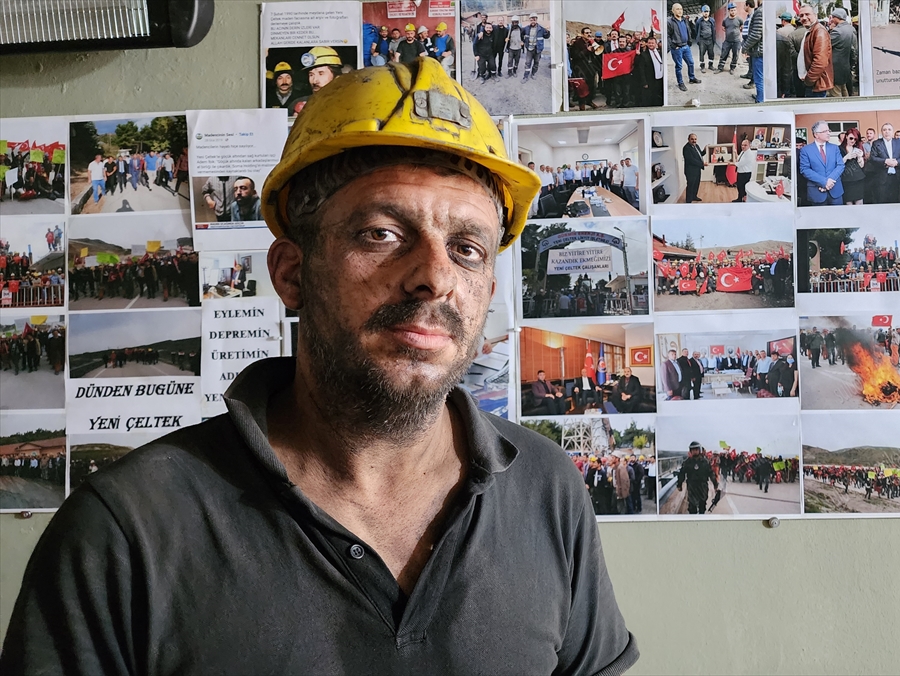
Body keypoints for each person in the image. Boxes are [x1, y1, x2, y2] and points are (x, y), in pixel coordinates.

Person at [1, 60, 638, 674]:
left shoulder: (547, 489)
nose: (435, 277)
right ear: (291, 273)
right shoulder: (126, 531)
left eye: (467, 249)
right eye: (382, 234)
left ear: (489, 288)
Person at [799, 120, 844, 205]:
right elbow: (805, 169)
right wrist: (824, 182)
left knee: (839, 216)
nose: (828, 133)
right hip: (817, 192)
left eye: (829, 131)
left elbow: (840, 165)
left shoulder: (835, 148)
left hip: (835, 191)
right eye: (825, 131)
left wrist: (829, 181)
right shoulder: (805, 150)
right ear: (816, 134)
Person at [796, 4, 832, 97]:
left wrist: (809, 81)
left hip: (815, 85)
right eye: (801, 15)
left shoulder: (819, 31)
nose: (804, 18)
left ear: (815, 15)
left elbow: (820, 62)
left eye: (807, 14)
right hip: (813, 83)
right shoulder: (812, 30)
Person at [869, 123, 900, 204]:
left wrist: (896, 162)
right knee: (881, 200)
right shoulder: (876, 143)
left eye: (889, 129)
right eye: (884, 130)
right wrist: (886, 161)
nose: (887, 132)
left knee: (896, 200)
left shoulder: (898, 142)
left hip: (896, 177)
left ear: (892, 131)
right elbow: (872, 158)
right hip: (882, 177)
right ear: (881, 132)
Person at [676, 442, 719, 514]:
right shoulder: (687, 462)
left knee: (702, 507)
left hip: (703, 487)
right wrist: (679, 485)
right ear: (690, 451)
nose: (695, 451)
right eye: (693, 450)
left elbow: (711, 473)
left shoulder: (705, 462)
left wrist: (715, 484)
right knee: (692, 508)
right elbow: (682, 474)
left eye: (696, 449)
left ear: (699, 450)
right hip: (692, 487)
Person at [667, 3, 700, 91]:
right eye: (677, 9)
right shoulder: (670, 22)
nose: (680, 11)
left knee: (691, 63)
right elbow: (667, 36)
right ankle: (680, 83)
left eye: (681, 9)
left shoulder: (685, 20)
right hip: (677, 48)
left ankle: (692, 78)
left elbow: (688, 30)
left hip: (686, 46)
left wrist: (689, 41)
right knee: (679, 66)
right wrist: (673, 45)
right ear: (673, 11)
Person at [828, 8, 857, 97]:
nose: (831, 19)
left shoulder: (837, 31)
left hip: (836, 68)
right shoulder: (851, 28)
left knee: (835, 93)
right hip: (845, 66)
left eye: (832, 17)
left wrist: (831, 30)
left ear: (837, 17)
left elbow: (826, 44)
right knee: (844, 90)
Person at [742, 0, 765, 102]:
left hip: (759, 51)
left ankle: (760, 101)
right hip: (762, 50)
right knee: (760, 77)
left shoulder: (760, 11)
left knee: (759, 78)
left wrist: (745, 47)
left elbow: (756, 34)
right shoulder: (762, 10)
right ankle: (761, 96)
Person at [839, 127, 868, 205]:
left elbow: (861, 166)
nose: (853, 141)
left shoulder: (858, 148)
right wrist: (846, 157)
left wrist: (860, 157)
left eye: (855, 139)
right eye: (851, 138)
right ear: (846, 136)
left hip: (858, 179)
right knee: (848, 203)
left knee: (859, 202)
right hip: (846, 180)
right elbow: (836, 164)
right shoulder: (839, 149)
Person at [632, 36, 665, 106]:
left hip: (659, 79)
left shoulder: (660, 53)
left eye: (652, 43)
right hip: (650, 80)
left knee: (658, 98)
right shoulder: (643, 55)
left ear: (656, 44)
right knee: (649, 98)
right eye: (649, 43)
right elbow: (641, 70)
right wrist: (644, 82)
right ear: (647, 44)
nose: (651, 45)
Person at [521, 14, 550, 81]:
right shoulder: (526, 28)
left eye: (534, 20)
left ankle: (533, 74)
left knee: (536, 63)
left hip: (538, 49)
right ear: (529, 20)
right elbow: (521, 34)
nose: (533, 21)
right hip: (529, 49)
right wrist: (522, 41)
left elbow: (546, 36)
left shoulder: (541, 28)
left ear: (536, 20)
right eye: (531, 20)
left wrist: (547, 31)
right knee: (528, 63)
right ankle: (525, 76)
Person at [717, 2, 743, 73]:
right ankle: (720, 67)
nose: (733, 12)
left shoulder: (739, 19)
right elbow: (723, 28)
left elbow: (742, 27)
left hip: (736, 41)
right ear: (729, 11)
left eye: (734, 10)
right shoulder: (725, 20)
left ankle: (732, 68)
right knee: (723, 54)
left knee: (735, 55)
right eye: (731, 10)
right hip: (727, 41)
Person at [682, 133, 705, 203]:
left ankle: (694, 196)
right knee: (690, 185)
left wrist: (705, 150)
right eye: (692, 139)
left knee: (696, 184)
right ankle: (688, 200)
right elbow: (691, 160)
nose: (694, 141)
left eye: (695, 139)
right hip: (690, 171)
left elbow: (700, 154)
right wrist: (702, 164)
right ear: (688, 139)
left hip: (697, 169)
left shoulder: (696, 146)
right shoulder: (686, 148)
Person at [733, 138, 756, 202]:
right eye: (742, 145)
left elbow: (739, 164)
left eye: (745, 145)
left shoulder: (749, 154)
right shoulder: (743, 152)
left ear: (749, 146)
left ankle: (743, 200)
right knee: (739, 187)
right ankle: (739, 199)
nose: (743, 146)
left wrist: (730, 163)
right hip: (740, 172)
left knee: (743, 188)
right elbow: (738, 159)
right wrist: (735, 153)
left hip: (745, 173)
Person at [695, 5, 717, 72]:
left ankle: (710, 65)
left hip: (710, 39)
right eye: (704, 12)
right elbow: (696, 30)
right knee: (702, 53)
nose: (706, 13)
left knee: (711, 53)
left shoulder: (712, 20)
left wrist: (714, 39)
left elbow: (714, 30)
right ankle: (702, 67)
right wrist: (698, 39)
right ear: (702, 12)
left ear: (709, 12)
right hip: (702, 40)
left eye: (707, 12)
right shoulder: (699, 21)